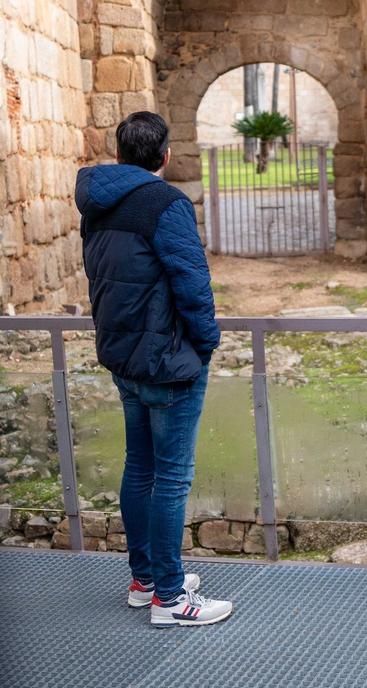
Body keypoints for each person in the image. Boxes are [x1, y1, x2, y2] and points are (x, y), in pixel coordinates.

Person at [76, 112, 232, 627]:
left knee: (139, 468)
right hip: (166, 359)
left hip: (124, 356)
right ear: (164, 156)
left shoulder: (97, 204)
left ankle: (145, 581)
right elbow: (191, 281)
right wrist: (205, 345)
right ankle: (170, 598)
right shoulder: (165, 203)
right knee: (171, 477)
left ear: (119, 152)